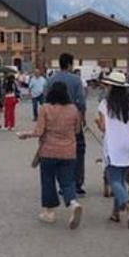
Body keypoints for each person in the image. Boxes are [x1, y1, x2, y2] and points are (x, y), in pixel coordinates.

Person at [17, 81, 83, 229]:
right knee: (67, 181)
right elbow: (78, 130)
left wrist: (24, 134)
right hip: (68, 151)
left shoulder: (45, 108)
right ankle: (73, 203)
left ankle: (50, 212)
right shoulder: (73, 109)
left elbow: (39, 131)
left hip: (48, 151)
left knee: (48, 180)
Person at [96, 71, 129, 229]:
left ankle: (128, 204)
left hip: (115, 144)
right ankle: (116, 213)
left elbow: (103, 127)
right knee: (121, 179)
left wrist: (98, 124)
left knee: (113, 179)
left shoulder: (105, 103)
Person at [50, 53, 87, 196]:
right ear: (70, 64)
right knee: (78, 150)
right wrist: (83, 118)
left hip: (55, 121)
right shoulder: (76, 80)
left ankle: (63, 183)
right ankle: (77, 183)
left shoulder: (51, 80)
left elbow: (46, 101)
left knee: (59, 151)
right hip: (73, 120)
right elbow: (81, 103)